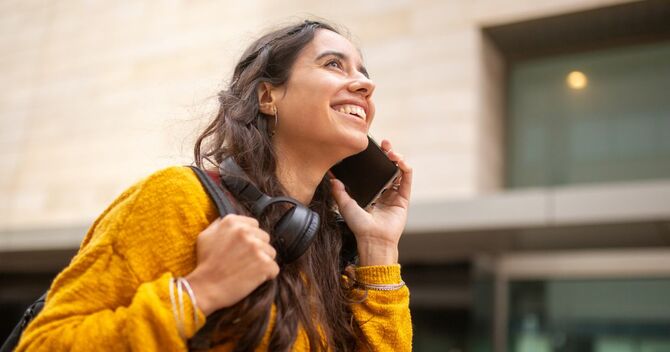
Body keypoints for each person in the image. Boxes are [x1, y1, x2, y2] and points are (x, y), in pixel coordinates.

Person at [16, 19, 413, 351]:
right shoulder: (179, 199)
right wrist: (197, 293)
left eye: (363, 72)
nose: (365, 85)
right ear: (266, 96)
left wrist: (379, 248)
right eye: (334, 65)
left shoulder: (326, 251)